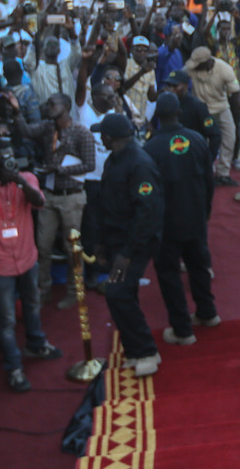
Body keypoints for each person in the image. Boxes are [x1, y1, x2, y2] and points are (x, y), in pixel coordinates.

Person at [0, 145, 62, 392]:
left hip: (26, 257)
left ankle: (36, 343)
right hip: (0, 263)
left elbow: (39, 202)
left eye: (9, 158)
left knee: (33, 304)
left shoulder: (27, 179)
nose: (6, 164)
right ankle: (14, 368)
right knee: (7, 319)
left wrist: (19, 180)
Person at [91, 112, 163, 377]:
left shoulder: (139, 164)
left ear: (109, 137)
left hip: (134, 245)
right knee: (124, 295)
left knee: (117, 295)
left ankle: (145, 351)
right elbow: (106, 203)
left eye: (102, 134)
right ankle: (135, 351)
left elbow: (147, 214)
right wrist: (101, 242)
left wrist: (127, 254)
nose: (100, 138)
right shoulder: (114, 160)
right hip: (116, 240)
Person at [145, 93, 218, 345]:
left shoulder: (151, 147)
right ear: (179, 112)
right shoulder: (197, 140)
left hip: (166, 225)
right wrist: (206, 210)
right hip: (195, 217)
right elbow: (209, 181)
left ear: (157, 116)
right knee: (198, 266)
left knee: (169, 274)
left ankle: (182, 330)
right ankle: (208, 313)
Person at [12, 93, 97, 308]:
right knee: (42, 246)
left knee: (72, 250)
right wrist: (16, 111)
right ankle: (43, 290)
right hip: (49, 196)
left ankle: (74, 292)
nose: (48, 106)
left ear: (66, 106)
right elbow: (25, 131)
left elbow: (90, 165)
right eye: (48, 102)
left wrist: (59, 169)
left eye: (53, 103)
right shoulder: (48, 127)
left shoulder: (81, 132)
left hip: (72, 197)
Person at [184, 46, 240, 186]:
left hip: (222, 108)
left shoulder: (225, 69)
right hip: (200, 110)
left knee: (230, 137)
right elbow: (179, 78)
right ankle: (206, 171)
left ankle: (223, 173)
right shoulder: (191, 68)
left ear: (208, 61)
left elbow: (236, 92)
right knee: (202, 142)